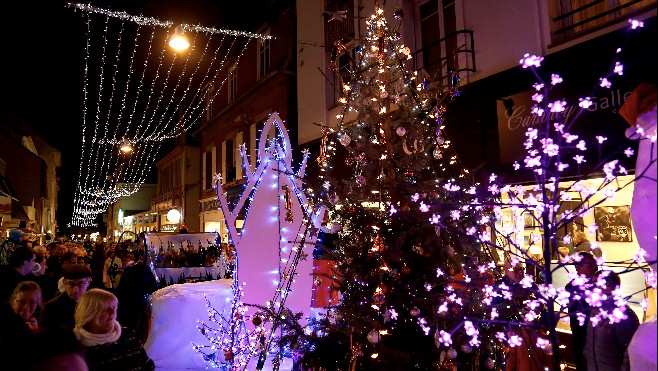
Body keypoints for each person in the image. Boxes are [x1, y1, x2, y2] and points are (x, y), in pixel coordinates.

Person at [73, 288, 155, 370]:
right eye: (105, 308)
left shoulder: (128, 335)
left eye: (113, 307)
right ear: (89, 312)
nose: (113, 312)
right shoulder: (75, 346)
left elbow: (148, 366)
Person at [584, 270, 639, 371]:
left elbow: (630, 352)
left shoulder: (623, 315)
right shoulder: (595, 311)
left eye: (596, 284)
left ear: (609, 287)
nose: (591, 288)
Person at [565, 252, 598, 371]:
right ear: (578, 268)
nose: (595, 267)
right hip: (583, 337)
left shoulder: (599, 284)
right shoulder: (572, 287)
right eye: (590, 265)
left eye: (594, 264)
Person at [42, 265, 92, 330]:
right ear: (64, 282)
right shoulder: (50, 308)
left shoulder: (95, 304)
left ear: (89, 282)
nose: (75, 289)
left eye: (81, 284)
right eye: (71, 284)